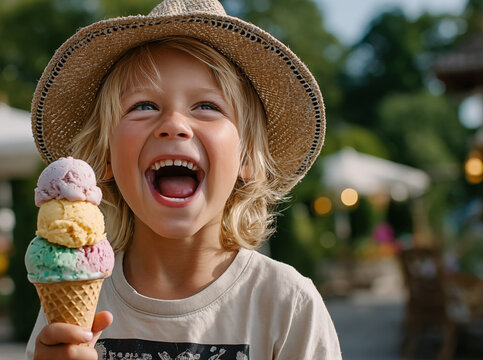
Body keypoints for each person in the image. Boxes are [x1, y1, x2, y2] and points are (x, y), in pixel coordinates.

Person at [26, 0, 341, 359]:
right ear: (106, 158)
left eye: (207, 106)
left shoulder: (287, 304)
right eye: (143, 106)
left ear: (247, 158)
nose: (174, 125)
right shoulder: (74, 286)